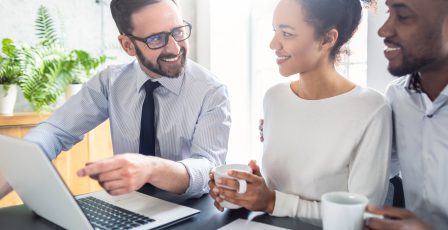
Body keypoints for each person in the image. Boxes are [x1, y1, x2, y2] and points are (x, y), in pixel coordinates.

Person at [0, 0, 231, 199]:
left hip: (193, 210)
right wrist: (16, 167)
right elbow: (55, 131)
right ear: (128, 45)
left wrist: (151, 168)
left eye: (178, 32)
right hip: (129, 206)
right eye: (157, 39)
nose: (174, 47)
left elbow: (208, 167)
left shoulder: (211, 91)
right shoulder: (111, 82)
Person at [209, 0, 391, 225]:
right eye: (275, 31)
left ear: (327, 39)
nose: (273, 44)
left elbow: (363, 217)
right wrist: (248, 190)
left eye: (286, 33)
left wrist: (271, 201)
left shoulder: (371, 110)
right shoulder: (275, 98)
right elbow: (282, 190)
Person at [364, 0, 448, 229]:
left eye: (402, 16)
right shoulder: (396, 96)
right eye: (389, 12)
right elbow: (380, 167)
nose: (383, 30)